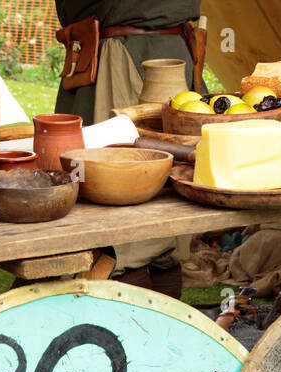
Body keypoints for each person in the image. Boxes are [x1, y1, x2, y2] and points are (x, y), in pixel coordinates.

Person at [53, 1, 202, 295]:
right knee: (154, 218)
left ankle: (145, 334)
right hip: (127, 50)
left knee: (125, 224)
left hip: (123, 55)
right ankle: (161, 333)